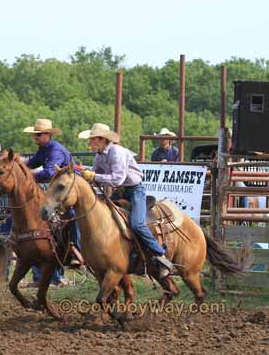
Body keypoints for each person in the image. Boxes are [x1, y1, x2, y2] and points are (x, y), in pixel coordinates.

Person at [78, 123, 174, 278]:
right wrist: (85, 173)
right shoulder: (99, 155)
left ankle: (160, 254)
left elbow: (116, 179)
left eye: (92, 140)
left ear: (102, 140)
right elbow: (96, 173)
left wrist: (93, 176)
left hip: (135, 190)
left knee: (137, 224)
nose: (90, 143)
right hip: (121, 191)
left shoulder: (117, 153)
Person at [23, 118, 82, 287]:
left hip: (68, 191)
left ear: (48, 135)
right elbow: (30, 163)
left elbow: (49, 173)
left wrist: (27, 176)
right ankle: (50, 275)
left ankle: (75, 247)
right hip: (58, 192)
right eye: (35, 134)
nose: (36, 137)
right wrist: (19, 167)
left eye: (39, 134)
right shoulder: (43, 150)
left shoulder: (55, 150)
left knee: (65, 219)